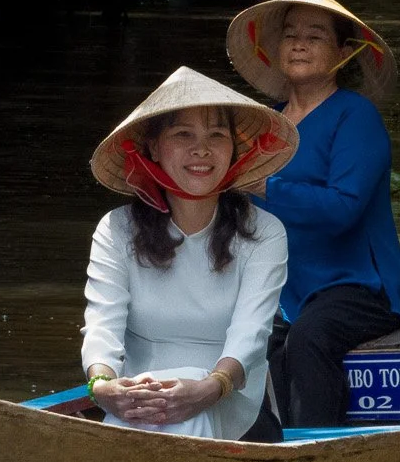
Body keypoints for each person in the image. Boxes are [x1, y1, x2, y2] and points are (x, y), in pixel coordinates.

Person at [226, 0, 400, 428]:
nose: (299, 44)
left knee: (309, 338)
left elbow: (343, 209)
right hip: (285, 288)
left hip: (361, 287)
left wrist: (265, 185)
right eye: (290, 35)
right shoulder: (266, 125)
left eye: (315, 37)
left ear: (343, 53)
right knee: (240, 343)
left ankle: (315, 451)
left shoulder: (356, 115)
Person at [80, 67, 295, 441]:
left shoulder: (265, 232)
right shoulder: (116, 229)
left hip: (231, 403)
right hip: (139, 404)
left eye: (217, 135)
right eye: (183, 134)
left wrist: (210, 387)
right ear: (153, 147)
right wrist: (103, 387)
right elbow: (102, 324)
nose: (202, 150)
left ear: (233, 148)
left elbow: (251, 333)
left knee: (184, 399)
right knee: (149, 409)